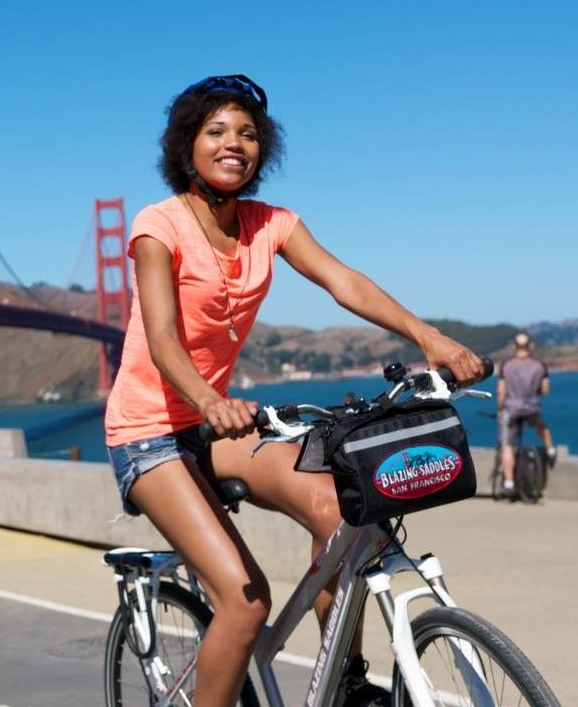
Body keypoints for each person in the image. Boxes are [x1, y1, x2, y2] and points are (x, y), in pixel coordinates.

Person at [104, 74, 485, 707]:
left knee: (343, 512)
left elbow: (344, 282)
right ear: (186, 147)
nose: (235, 144)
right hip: (149, 434)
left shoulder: (271, 223)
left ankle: (345, 681)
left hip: (213, 427)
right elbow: (163, 339)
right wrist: (208, 399)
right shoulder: (158, 225)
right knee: (245, 601)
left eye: (248, 134)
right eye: (217, 131)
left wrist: (429, 337)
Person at [497, 332, 555, 496]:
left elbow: (501, 392)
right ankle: (550, 449)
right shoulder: (539, 365)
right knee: (540, 425)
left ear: (514, 347)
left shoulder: (506, 365)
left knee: (507, 445)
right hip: (531, 407)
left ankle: (508, 483)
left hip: (512, 408)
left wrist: (501, 409)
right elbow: (545, 390)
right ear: (530, 346)